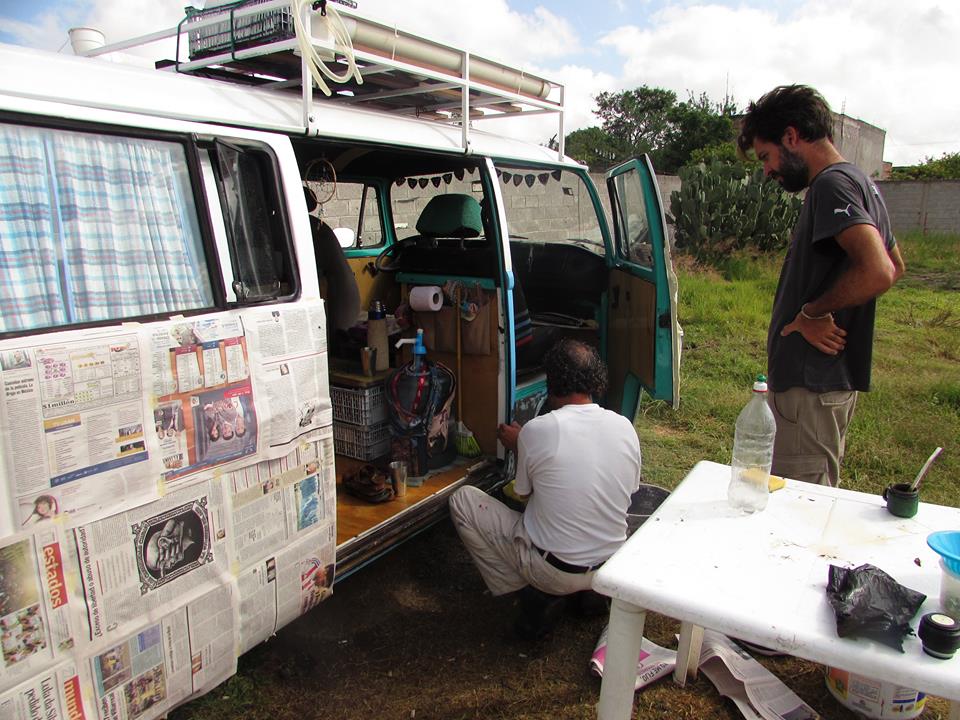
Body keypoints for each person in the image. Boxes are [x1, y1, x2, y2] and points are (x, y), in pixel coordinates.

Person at [737, 85, 905, 487]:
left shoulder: (832, 185)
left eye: (766, 156)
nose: (767, 171)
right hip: (824, 387)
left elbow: (880, 271)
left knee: (800, 503)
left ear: (791, 136)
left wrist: (812, 312)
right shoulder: (862, 183)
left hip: (810, 387)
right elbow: (896, 265)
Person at [448, 339, 641, 639]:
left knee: (462, 500)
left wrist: (521, 445)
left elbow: (522, 494)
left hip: (555, 571)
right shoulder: (624, 426)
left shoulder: (538, 431)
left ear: (552, 382)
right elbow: (627, 489)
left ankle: (531, 595)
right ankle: (588, 595)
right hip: (609, 566)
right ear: (595, 379)